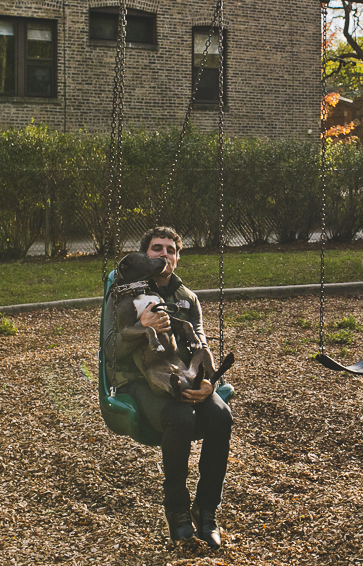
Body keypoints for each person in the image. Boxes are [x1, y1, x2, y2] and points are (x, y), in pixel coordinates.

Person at [103, 226, 232, 549]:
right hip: (137, 381)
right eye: (156, 248)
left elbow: (201, 341)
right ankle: (176, 511)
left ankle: (206, 510)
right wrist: (141, 327)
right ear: (144, 256)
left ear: (177, 258)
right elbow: (110, 350)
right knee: (180, 418)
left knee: (221, 416)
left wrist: (208, 384)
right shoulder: (125, 294)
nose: (164, 254)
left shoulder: (187, 298)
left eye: (170, 250)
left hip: (183, 377)